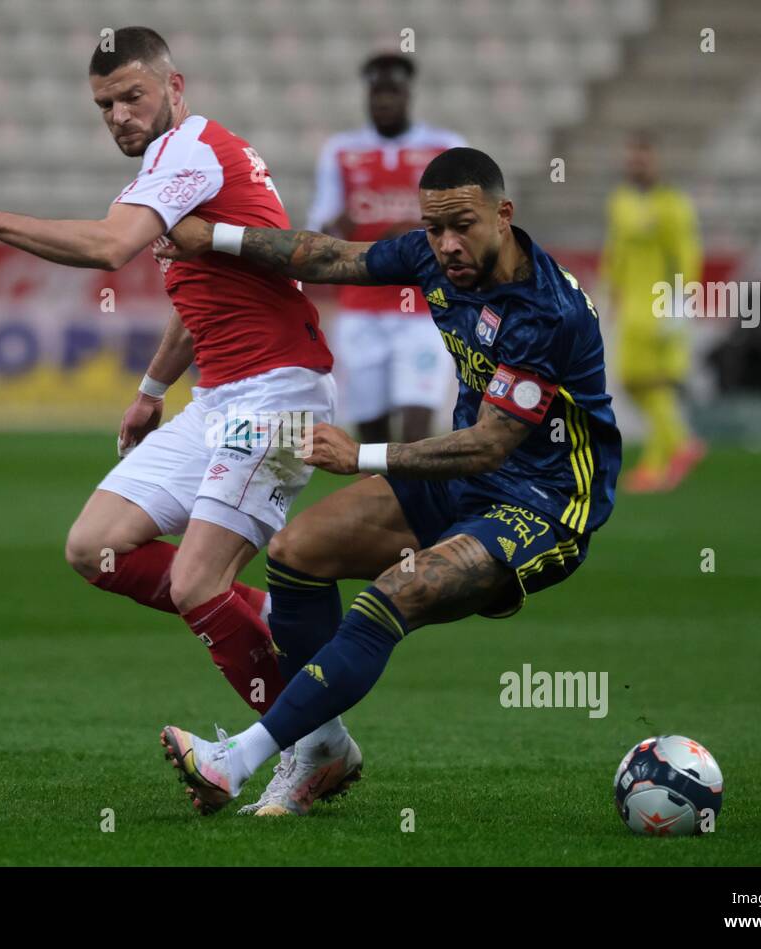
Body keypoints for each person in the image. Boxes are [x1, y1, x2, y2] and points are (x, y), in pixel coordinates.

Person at [0, 27, 361, 813]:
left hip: (279, 395)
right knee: (94, 547)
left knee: (193, 581)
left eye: (131, 96)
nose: (118, 114)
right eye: (104, 104)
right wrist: (153, 388)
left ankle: (310, 746)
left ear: (174, 87)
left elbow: (112, 248)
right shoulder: (176, 168)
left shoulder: (190, 152)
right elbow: (202, 298)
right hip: (219, 398)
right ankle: (271, 638)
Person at [156, 147, 621, 815]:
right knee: (297, 554)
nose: (447, 245)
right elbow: (328, 256)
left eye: (463, 225)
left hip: (541, 504)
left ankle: (240, 759)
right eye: (434, 229)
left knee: (392, 594)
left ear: (504, 215)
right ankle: (318, 751)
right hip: (461, 480)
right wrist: (218, 238)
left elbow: (492, 443)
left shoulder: (546, 312)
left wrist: (364, 456)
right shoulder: (433, 256)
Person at [305, 54, 467, 444]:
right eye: (377, 92)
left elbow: (468, 223)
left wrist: (421, 229)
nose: (384, 102)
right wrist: (334, 227)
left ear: (408, 94)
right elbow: (319, 228)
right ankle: (380, 500)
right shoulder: (341, 151)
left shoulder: (445, 149)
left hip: (425, 308)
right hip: (362, 307)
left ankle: (411, 504)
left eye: (392, 91)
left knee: (416, 426)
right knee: (372, 432)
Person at [600, 131, 704, 492]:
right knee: (638, 381)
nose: (636, 164)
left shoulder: (673, 204)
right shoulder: (621, 201)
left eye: (642, 158)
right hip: (631, 304)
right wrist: (610, 292)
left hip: (659, 304)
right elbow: (616, 251)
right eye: (632, 158)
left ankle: (677, 446)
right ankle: (662, 461)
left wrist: (682, 300)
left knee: (646, 380)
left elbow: (687, 252)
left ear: (656, 161)